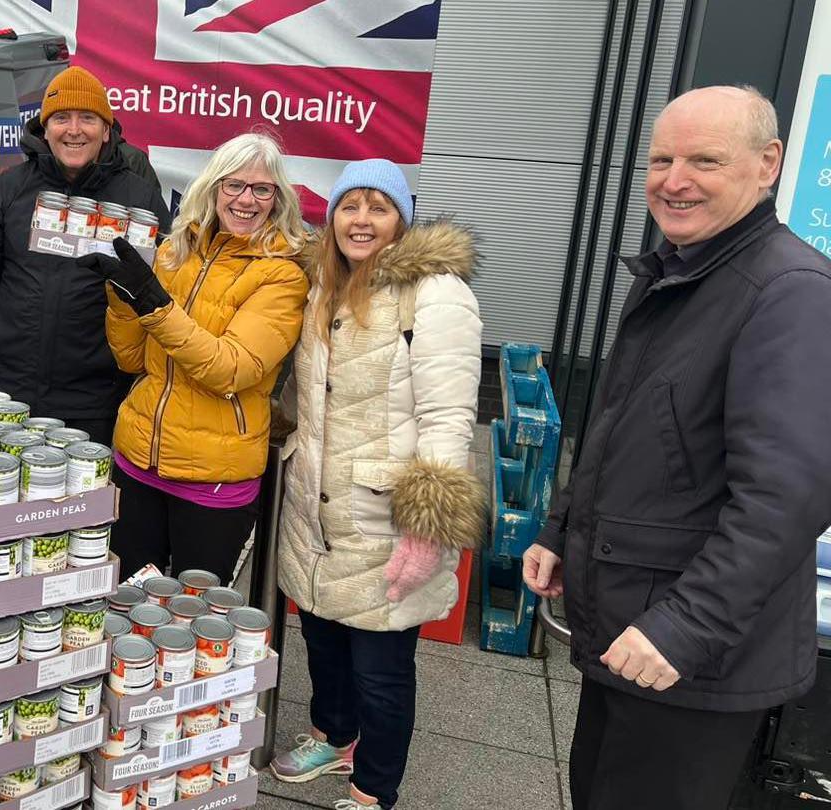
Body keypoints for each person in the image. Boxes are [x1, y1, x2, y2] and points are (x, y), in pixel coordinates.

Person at [522, 85, 831, 809]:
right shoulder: (678, 271)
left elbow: (785, 498)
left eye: (704, 160)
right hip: (631, 632)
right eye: (661, 159)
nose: (674, 179)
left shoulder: (789, 293)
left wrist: (684, 626)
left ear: (768, 165)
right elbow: (625, 426)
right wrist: (563, 526)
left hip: (690, 660)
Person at [270, 159, 483, 810]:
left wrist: (427, 526)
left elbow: (449, 416)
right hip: (316, 505)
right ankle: (334, 736)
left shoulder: (436, 293)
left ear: (401, 219)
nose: (361, 220)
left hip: (385, 515)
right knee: (324, 638)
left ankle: (373, 790)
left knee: (383, 669)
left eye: (378, 206)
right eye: (349, 205)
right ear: (331, 216)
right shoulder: (320, 285)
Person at [76, 133, 309, 584]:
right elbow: (130, 360)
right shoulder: (173, 251)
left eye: (262, 189)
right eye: (234, 185)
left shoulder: (282, 276)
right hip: (137, 461)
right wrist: (123, 298)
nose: (246, 199)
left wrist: (153, 305)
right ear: (213, 188)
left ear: (277, 199)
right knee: (127, 603)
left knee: (195, 622)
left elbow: (230, 369)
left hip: (212, 482)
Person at [0, 66, 169, 444]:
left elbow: (164, 298)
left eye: (88, 118)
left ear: (107, 129)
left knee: (81, 504)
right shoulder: (10, 189)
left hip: (94, 401)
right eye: (61, 118)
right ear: (44, 129)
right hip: (6, 396)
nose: (74, 129)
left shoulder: (139, 199)